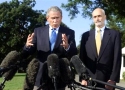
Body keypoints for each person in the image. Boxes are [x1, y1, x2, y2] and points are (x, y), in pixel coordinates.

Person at [22, 6, 77, 90]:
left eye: (57, 18)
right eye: (53, 18)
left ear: (61, 18)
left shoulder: (69, 32)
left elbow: (74, 53)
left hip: (60, 76)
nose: (55, 20)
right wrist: (27, 46)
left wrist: (67, 47)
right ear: (47, 18)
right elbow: (27, 53)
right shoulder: (38, 31)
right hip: (41, 75)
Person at [79, 8, 121, 90]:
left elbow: (117, 59)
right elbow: (82, 59)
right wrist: (83, 77)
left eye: (99, 16)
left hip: (107, 81)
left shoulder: (114, 35)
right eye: (94, 17)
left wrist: (113, 79)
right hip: (89, 81)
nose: (97, 19)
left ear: (105, 17)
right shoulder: (85, 36)